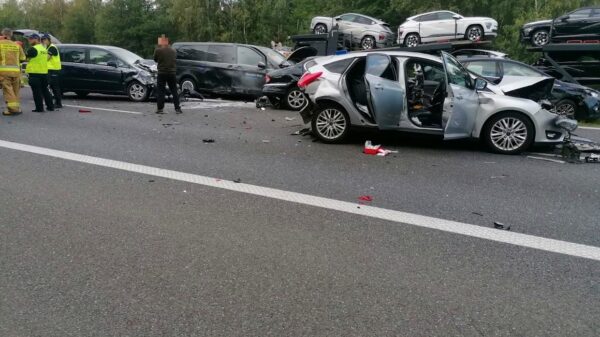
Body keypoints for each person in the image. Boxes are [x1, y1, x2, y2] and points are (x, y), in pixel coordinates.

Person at [0, 28, 26, 116]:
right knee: (15, 91)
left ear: (3, 34)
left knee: (8, 90)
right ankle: (17, 108)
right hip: (16, 72)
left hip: (4, 72)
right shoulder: (16, 45)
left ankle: (13, 110)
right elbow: (23, 58)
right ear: (10, 35)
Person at [153, 35, 181, 114]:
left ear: (161, 42)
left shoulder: (158, 50)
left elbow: (155, 59)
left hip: (162, 73)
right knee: (174, 90)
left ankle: (160, 109)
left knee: (161, 91)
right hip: (172, 73)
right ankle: (177, 108)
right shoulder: (174, 50)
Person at [25, 33, 53, 112]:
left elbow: (25, 58)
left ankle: (39, 108)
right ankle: (50, 106)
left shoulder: (33, 49)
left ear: (36, 39)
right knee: (45, 90)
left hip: (35, 73)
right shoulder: (43, 49)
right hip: (44, 73)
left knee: (36, 92)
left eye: (31, 39)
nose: (29, 40)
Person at [42, 34, 62, 108]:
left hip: (54, 70)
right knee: (52, 87)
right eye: (43, 40)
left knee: (55, 87)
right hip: (50, 70)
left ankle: (58, 103)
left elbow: (46, 58)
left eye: (45, 40)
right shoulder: (47, 48)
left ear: (49, 40)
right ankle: (56, 103)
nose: (44, 41)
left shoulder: (52, 48)